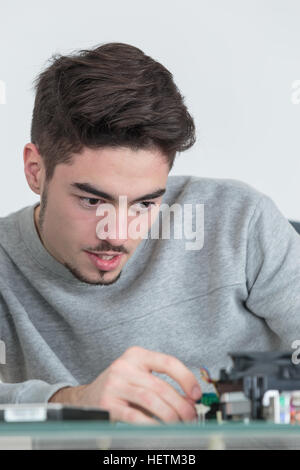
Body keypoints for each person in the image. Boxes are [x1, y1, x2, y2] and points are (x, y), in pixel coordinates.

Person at [0, 42, 299, 425]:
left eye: (145, 204)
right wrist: (72, 400)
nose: (118, 234)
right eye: (92, 201)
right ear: (35, 169)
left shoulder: (239, 221)